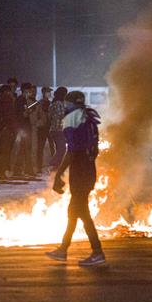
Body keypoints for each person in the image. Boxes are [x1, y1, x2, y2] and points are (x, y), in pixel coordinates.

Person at [46, 90, 105, 267]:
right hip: (88, 170)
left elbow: (71, 150)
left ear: (68, 103)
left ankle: (97, 252)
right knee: (74, 211)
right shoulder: (89, 118)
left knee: (82, 213)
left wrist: (59, 173)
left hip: (80, 172)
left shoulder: (73, 118)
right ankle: (63, 250)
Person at [12, 82, 36, 177]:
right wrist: (28, 111)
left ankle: (23, 170)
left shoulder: (23, 100)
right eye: (30, 90)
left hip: (24, 128)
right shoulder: (21, 100)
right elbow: (22, 114)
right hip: (23, 128)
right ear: (26, 90)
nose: (31, 92)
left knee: (24, 149)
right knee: (25, 149)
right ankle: (24, 170)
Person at [31, 86, 52, 173]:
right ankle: (39, 167)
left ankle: (51, 167)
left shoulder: (50, 103)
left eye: (49, 92)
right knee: (40, 148)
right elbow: (34, 114)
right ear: (43, 93)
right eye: (48, 92)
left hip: (49, 127)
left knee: (52, 148)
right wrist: (38, 123)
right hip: (42, 128)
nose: (49, 93)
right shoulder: (38, 103)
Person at [48, 87, 68, 170]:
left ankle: (56, 167)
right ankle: (52, 164)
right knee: (62, 149)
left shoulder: (53, 103)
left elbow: (49, 116)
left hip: (54, 129)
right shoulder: (59, 104)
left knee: (60, 149)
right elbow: (62, 115)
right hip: (58, 129)